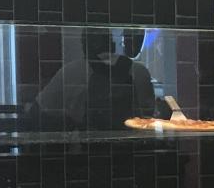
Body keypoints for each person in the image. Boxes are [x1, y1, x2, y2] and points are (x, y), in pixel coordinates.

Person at [27, 27, 156, 131]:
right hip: (131, 152)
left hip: (88, 151)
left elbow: (36, 113)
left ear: (84, 46)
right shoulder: (140, 72)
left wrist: (67, 123)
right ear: (112, 43)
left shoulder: (70, 72)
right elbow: (150, 117)